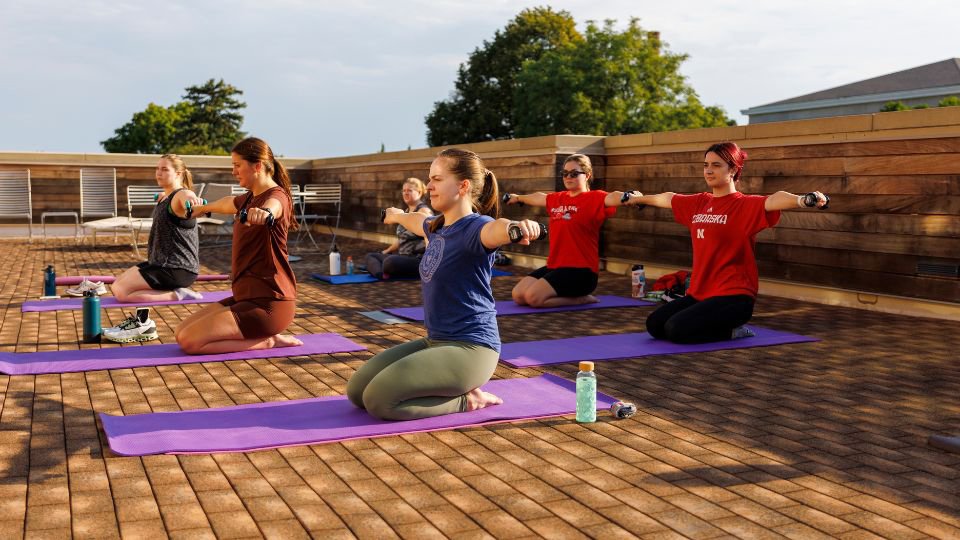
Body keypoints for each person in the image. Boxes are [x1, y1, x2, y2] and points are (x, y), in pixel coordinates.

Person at [347, 148, 543, 421]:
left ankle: (467, 400)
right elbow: (418, 221)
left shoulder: (476, 228)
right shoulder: (437, 227)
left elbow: (496, 228)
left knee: (379, 400)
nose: (429, 186)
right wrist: (395, 215)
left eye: (437, 179)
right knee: (357, 392)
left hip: (472, 349)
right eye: (430, 179)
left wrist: (519, 226)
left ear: (462, 186)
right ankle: (449, 388)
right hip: (436, 341)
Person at [629, 141, 829, 344]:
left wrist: (803, 200)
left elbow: (774, 199)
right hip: (701, 293)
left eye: (716, 165)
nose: (708, 170)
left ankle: (734, 331)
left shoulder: (742, 205)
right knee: (654, 325)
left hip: (734, 297)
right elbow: (668, 198)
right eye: (706, 165)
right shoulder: (699, 202)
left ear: (733, 169)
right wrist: (640, 199)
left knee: (676, 330)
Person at [173, 137, 302, 354]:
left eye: (237, 165)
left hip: (269, 304)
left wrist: (265, 213)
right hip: (246, 297)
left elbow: (276, 206)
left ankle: (268, 341)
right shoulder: (250, 198)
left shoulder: (276, 196)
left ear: (258, 166)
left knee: (190, 342)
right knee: (180, 331)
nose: (234, 171)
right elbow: (227, 202)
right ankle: (266, 336)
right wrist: (202, 209)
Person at [505, 154, 641, 308]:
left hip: (582, 272)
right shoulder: (558, 198)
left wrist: (631, 196)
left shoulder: (594, 198)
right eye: (565, 173)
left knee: (533, 298)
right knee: (518, 295)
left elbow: (614, 196)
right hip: (555, 266)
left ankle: (581, 299)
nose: (568, 177)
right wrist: (517, 198)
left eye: (574, 174)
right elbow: (538, 197)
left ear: (587, 175)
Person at [101, 154, 204, 343]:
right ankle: (142, 323)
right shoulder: (166, 197)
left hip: (177, 268)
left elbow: (188, 197)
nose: (159, 173)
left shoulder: (181, 195)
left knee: (123, 292)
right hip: (160, 262)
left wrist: (194, 201)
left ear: (179, 173)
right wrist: (162, 198)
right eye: (157, 169)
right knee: (117, 285)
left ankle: (178, 294)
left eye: (165, 169)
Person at [363, 177, 432, 279]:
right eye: (404, 191)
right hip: (402, 257)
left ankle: (380, 269)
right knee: (370, 256)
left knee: (389, 262)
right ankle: (381, 275)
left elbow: (431, 236)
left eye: (409, 190)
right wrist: (386, 251)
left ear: (419, 192)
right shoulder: (406, 211)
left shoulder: (424, 212)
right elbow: (402, 238)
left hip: (418, 259)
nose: (405, 193)